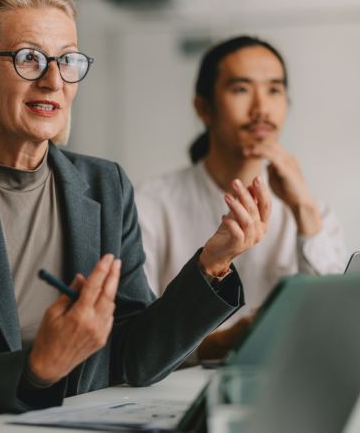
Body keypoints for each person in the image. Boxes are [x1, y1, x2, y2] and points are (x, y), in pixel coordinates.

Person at [0, 0, 271, 425]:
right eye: (29, 58)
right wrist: (39, 367)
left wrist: (212, 264)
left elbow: (136, 356)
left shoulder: (105, 185)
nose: (53, 81)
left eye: (67, 60)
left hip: (79, 418)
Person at [135, 36, 347, 357]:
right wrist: (223, 343)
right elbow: (136, 340)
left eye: (274, 90)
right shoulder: (150, 205)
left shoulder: (314, 212)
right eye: (241, 89)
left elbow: (335, 325)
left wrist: (303, 209)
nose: (261, 109)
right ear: (203, 108)